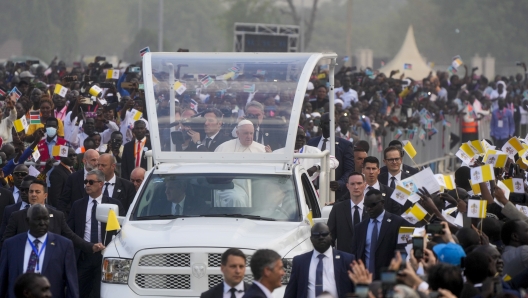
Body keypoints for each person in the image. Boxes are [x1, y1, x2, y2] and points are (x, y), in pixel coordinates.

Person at [1, 179, 100, 255]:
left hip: (50, 263)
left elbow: (71, 236)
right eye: (31, 192)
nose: (33, 195)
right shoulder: (16, 216)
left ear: (45, 195)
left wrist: (91, 247)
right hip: (24, 263)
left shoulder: (57, 216)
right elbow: (6, 241)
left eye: (37, 192)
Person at [0, 204, 79, 298]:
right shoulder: (11, 245)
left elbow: (71, 284)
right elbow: (2, 281)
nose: (42, 223)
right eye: (38, 219)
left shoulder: (64, 245)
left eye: (46, 219)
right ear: (28, 221)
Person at [67, 169, 124, 298]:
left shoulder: (113, 204)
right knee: (79, 291)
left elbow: (121, 230)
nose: (87, 184)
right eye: (85, 181)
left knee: (102, 292)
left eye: (91, 182)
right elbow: (70, 230)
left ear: (101, 184)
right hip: (84, 255)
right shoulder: (78, 205)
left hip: (105, 256)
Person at [350, 189, 411, 279]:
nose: (369, 209)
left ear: (382, 202)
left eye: (373, 205)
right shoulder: (359, 227)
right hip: (365, 278)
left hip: (389, 277)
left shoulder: (400, 223)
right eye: (366, 206)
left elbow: (403, 251)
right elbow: (355, 254)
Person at [284, 223, 355, 298]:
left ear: (330, 236)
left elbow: (357, 288)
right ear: (311, 239)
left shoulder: (347, 259)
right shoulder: (300, 262)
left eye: (324, 234)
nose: (321, 237)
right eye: (316, 235)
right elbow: (290, 292)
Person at [307, 113, 354, 200]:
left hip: (334, 193)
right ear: (320, 124)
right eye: (326, 123)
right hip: (312, 191)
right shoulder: (311, 143)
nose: (329, 126)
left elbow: (349, 170)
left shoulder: (345, 145)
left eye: (332, 123)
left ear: (336, 124)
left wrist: (340, 183)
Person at [328, 172, 367, 254]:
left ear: (365, 185)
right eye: (352, 184)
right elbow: (330, 237)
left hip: (367, 259)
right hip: (344, 259)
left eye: (359, 183)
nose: (356, 187)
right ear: (347, 186)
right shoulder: (338, 209)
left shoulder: (372, 208)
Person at [57, 149, 100, 217]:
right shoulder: (73, 177)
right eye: (93, 160)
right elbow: (63, 201)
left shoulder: (103, 177)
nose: (97, 163)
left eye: (98, 160)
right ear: (84, 161)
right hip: (77, 219)